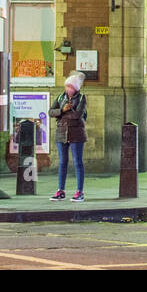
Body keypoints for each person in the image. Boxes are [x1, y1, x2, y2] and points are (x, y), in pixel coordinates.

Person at [49, 72, 88, 201]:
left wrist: (61, 116)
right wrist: (62, 111)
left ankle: (79, 191)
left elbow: (78, 115)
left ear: (76, 88)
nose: (68, 89)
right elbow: (50, 112)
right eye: (67, 86)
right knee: (62, 162)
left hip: (76, 134)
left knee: (77, 162)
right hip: (61, 133)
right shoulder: (61, 97)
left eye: (71, 87)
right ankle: (61, 190)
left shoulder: (81, 98)